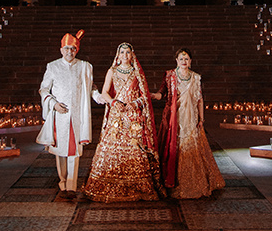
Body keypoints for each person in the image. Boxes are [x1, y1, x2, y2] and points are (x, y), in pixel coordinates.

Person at [80, 42, 162, 202]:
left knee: (135, 149)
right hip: (117, 116)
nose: (125, 55)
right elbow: (104, 92)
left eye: (128, 52)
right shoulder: (112, 71)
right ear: (118, 55)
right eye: (122, 52)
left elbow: (144, 95)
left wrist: (134, 104)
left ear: (132, 55)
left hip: (133, 117)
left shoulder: (137, 73)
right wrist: (113, 102)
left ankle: (138, 186)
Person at [153, 48, 225, 199]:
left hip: (190, 118)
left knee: (191, 147)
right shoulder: (170, 76)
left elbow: (199, 99)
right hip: (174, 118)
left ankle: (192, 182)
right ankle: (171, 181)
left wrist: (201, 119)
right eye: (181, 59)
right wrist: (154, 95)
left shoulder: (196, 77)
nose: (184, 62)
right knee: (173, 146)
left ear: (190, 61)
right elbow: (162, 93)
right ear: (176, 61)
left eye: (186, 59)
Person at [37, 30, 93, 194]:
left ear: (77, 50)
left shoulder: (84, 66)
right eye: (67, 48)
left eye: (73, 49)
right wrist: (53, 104)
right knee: (61, 151)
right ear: (61, 50)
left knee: (74, 151)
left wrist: (100, 96)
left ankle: (71, 185)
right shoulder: (53, 66)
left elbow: (90, 88)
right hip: (60, 116)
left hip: (77, 115)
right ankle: (63, 180)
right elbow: (44, 89)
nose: (70, 52)